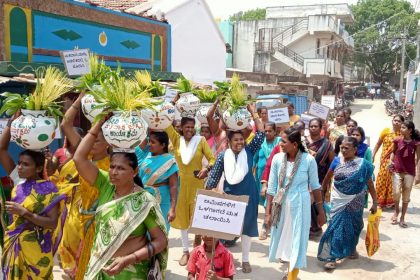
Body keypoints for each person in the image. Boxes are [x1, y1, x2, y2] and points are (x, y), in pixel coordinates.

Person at [73, 120, 168, 279]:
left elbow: (160, 241)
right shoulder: (105, 185)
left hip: (132, 273)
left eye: (121, 168)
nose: (114, 172)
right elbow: (79, 158)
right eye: (112, 167)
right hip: (101, 269)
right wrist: (99, 123)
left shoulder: (144, 200)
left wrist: (129, 259)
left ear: (135, 171)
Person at [0, 113, 67, 279]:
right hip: (14, 243)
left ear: (38, 168)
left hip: (37, 248)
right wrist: (10, 123)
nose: (20, 167)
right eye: (20, 163)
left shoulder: (49, 189)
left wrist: (24, 212)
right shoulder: (17, 179)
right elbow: (1, 149)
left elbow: (52, 223)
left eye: (25, 164)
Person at [206, 103, 265, 273]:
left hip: (249, 195)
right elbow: (213, 179)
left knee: (247, 229)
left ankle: (245, 260)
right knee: (224, 231)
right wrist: (207, 194)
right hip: (229, 197)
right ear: (229, 142)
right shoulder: (223, 156)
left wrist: (253, 112)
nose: (239, 142)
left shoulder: (250, 150)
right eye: (236, 140)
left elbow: (260, 133)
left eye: (241, 139)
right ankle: (221, 259)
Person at [57, 93, 110, 279]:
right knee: (69, 253)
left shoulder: (114, 165)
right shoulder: (83, 157)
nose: (93, 143)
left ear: (108, 144)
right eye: (92, 139)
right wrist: (80, 98)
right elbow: (65, 124)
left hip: (100, 218)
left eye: (98, 141)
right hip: (77, 212)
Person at [265, 127, 325, 280]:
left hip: (301, 205)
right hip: (281, 206)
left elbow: (316, 186)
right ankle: (289, 272)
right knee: (283, 239)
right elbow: (272, 188)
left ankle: (292, 275)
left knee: (298, 239)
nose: (280, 144)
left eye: (284, 141)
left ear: (295, 144)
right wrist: (268, 213)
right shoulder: (278, 159)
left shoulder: (308, 160)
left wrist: (321, 211)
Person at [318, 137, 378, 270]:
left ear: (355, 150)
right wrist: (321, 193)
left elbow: (369, 183)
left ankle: (351, 248)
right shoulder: (336, 161)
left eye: (347, 148)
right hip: (338, 199)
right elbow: (327, 178)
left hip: (356, 200)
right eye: (341, 148)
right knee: (335, 227)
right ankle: (332, 257)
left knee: (355, 226)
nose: (343, 150)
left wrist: (375, 201)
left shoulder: (363, 164)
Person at [166, 117, 215, 266]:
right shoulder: (176, 140)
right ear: (181, 128)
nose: (189, 130)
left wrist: (206, 169)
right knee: (182, 219)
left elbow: (212, 159)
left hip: (196, 184)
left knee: (197, 217)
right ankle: (185, 251)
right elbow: (166, 125)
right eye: (186, 127)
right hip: (180, 185)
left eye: (192, 127)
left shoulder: (200, 141)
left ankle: (198, 248)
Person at [135, 131, 178, 231]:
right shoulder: (146, 157)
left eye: (153, 142)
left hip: (162, 199)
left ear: (163, 145)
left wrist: (172, 208)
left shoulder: (170, 161)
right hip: (144, 197)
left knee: (160, 229)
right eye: (149, 141)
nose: (149, 144)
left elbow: (173, 186)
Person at [305, 118, 335, 235]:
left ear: (321, 128)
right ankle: (306, 226)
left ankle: (315, 227)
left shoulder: (326, 144)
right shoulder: (303, 141)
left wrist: (327, 181)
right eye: (311, 126)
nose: (313, 128)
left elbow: (331, 162)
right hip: (303, 177)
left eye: (315, 126)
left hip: (320, 178)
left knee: (316, 202)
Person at [389, 121, 420, 228]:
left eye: (403, 127)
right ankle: (396, 211)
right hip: (397, 170)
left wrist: (418, 174)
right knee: (396, 192)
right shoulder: (397, 140)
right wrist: (391, 161)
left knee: (406, 195)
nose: (400, 129)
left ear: (410, 130)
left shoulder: (416, 144)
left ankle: (402, 217)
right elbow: (393, 152)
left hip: (409, 172)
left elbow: (418, 159)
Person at [254, 122, 281, 240]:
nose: (267, 133)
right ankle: (267, 225)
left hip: (277, 177)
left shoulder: (280, 143)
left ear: (275, 132)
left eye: (270, 131)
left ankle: (267, 226)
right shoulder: (260, 143)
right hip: (261, 177)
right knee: (266, 200)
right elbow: (254, 159)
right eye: (266, 131)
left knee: (274, 200)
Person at [373, 114, 404, 208]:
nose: (396, 122)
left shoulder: (403, 135)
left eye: (399, 121)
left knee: (393, 181)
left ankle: (391, 202)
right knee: (381, 179)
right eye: (395, 120)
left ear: (402, 123)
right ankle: (379, 201)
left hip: (397, 161)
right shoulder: (385, 131)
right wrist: (373, 154)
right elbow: (378, 144)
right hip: (384, 160)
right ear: (392, 121)